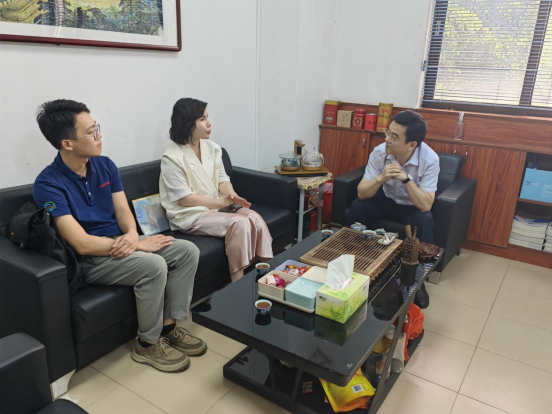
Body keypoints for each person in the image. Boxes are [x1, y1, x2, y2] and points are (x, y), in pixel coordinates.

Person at [33, 99, 205, 373]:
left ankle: (168, 328)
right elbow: (80, 243)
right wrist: (137, 245)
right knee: (153, 265)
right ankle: (147, 345)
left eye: (97, 128)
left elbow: (123, 212)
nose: (99, 136)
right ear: (67, 143)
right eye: (91, 132)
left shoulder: (105, 165)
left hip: (122, 243)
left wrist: (133, 235)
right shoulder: (47, 184)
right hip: (91, 258)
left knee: (187, 251)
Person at [159, 98, 273, 282]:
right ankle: (237, 282)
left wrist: (232, 195)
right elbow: (184, 199)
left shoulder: (212, 148)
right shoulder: (171, 157)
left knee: (254, 218)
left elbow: (222, 179)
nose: (209, 123)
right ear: (188, 123)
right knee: (239, 223)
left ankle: (270, 274)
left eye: (207, 117)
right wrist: (220, 202)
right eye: (202, 119)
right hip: (190, 214)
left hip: (216, 208)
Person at [348, 110, 439, 308]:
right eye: (388, 132)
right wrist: (381, 178)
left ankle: (418, 281)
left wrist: (406, 179)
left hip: (411, 206)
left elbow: (426, 204)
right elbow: (362, 192)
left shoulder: (430, 160)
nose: (387, 139)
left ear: (412, 144)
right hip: (385, 199)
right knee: (358, 206)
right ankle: (353, 263)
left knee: (425, 220)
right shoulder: (379, 152)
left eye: (394, 136)